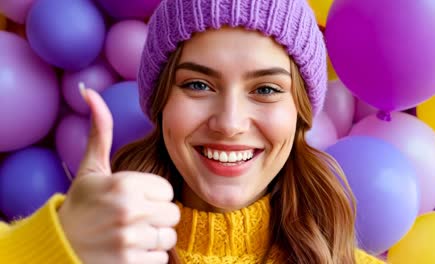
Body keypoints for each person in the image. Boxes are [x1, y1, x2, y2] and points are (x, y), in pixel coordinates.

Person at [0, 0, 387, 263]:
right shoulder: (84, 245)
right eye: (198, 85)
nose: (230, 123)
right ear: (161, 101)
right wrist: (59, 246)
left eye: (266, 89)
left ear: (300, 112)